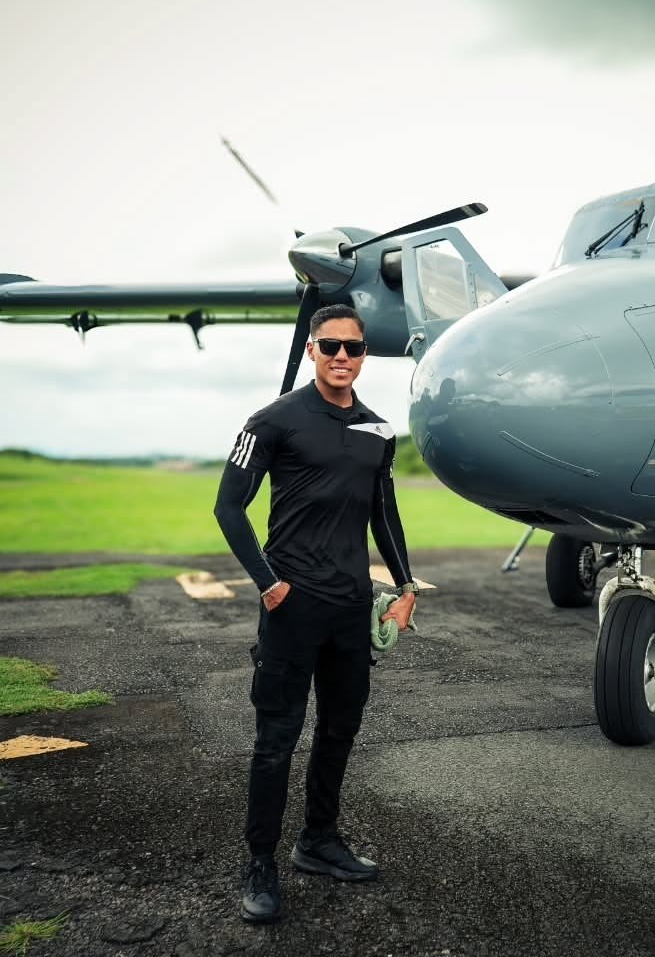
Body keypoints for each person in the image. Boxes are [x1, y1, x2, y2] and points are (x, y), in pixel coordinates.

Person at [214, 303, 418, 924]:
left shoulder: (379, 430)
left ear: (363, 356)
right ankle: (261, 864)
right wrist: (270, 585)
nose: (340, 358)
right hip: (292, 607)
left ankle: (319, 842)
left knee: (340, 731)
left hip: (351, 610)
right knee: (276, 741)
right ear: (310, 350)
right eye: (329, 346)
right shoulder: (273, 420)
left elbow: (384, 513)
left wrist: (405, 587)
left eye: (352, 349)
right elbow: (229, 508)